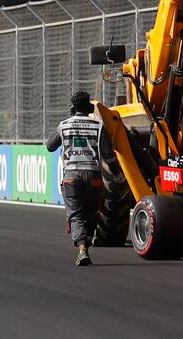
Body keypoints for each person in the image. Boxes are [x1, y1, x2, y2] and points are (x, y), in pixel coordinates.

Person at [46, 91, 113, 266]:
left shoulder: (64, 125)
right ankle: (86, 240)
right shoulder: (98, 126)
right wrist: (117, 171)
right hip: (94, 176)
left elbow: (49, 146)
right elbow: (108, 154)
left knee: (76, 215)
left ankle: (82, 249)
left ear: (72, 107)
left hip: (71, 177)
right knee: (92, 214)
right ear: (89, 107)